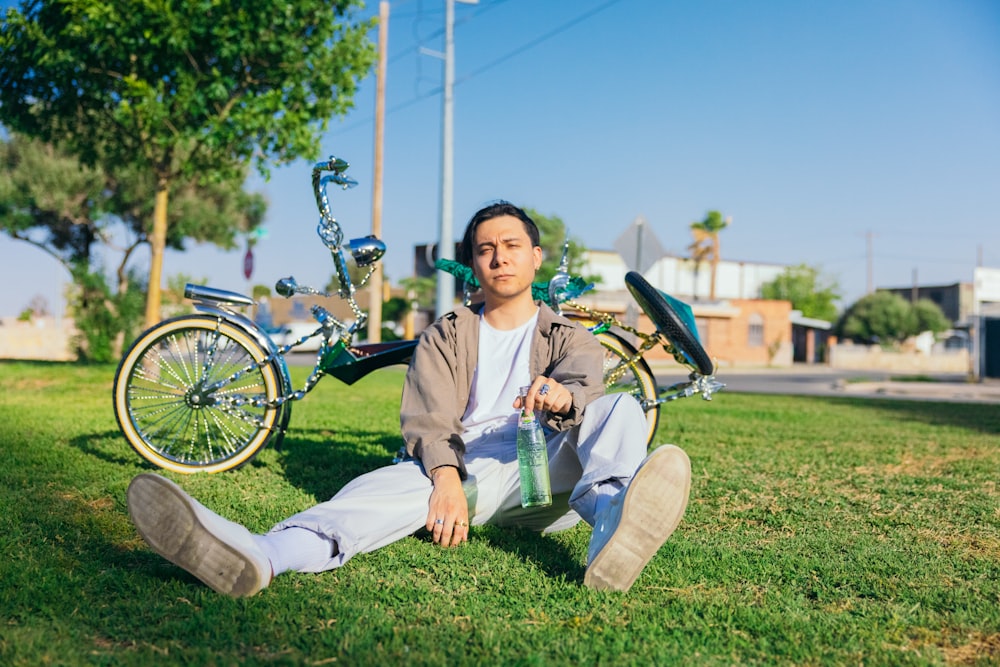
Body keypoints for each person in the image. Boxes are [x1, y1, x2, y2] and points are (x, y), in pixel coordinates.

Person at [126, 201, 692, 596]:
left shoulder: (568, 336)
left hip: (544, 478)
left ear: (536, 257)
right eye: (486, 249)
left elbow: (586, 390)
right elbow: (428, 419)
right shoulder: (446, 332)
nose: (499, 257)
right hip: (465, 467)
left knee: (619, 408)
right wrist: (445, 479)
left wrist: (562, 399)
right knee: (382, 492)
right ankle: (261, 555)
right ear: (473, 262)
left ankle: (610, 523)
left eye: (512, 246)